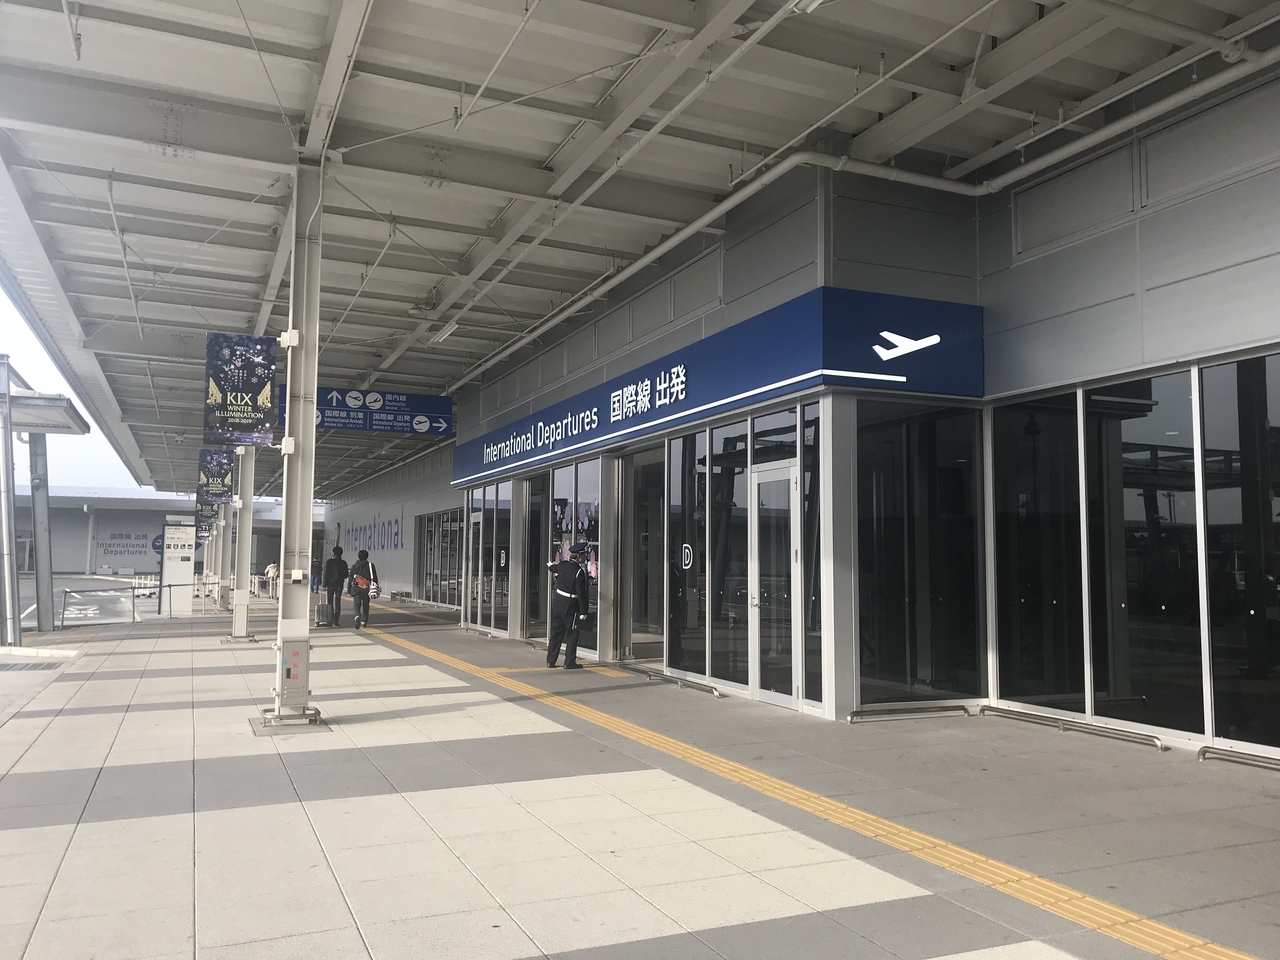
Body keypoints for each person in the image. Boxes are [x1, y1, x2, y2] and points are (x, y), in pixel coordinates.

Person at [546, 542, 589, 669]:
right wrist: (584, 611)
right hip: (570, 606)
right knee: (572, 634)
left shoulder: (562, 565)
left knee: (556, 633)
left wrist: (550, 565)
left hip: (558, 603)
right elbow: (581, 593)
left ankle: (550, 661)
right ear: (579, 557)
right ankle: (569, 661)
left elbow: (553, 568)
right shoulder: (579, 572)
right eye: (583, 555)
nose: (585, 557)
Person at [349, 549, 379, 630]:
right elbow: (374, 577)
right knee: (366, 605)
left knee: (357, 605)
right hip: (367, 588)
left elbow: (350, 578)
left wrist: (349, 590)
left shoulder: (354, 566)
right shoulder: (370, 565)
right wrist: (375, 585)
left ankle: (357, 616)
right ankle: (364, 621)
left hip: (356, 588)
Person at [322, 546, 348, 627]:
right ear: (341, 553)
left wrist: (324, 584)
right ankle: (336, 621)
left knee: (329, 602)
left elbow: (325, 573)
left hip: (330, 584)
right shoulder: (343, 563)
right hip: (339, 584)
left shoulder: (328, 562)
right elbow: (346, 575)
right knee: (337, 602)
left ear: (333, 552)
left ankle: (329, 619)